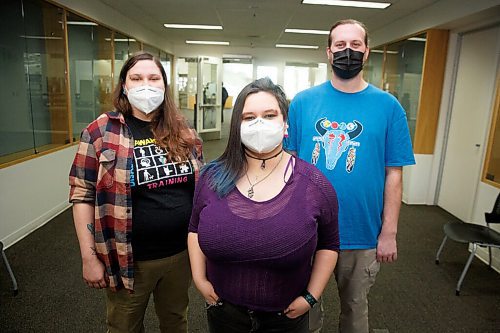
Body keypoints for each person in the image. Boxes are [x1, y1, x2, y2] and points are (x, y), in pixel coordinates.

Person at [285, 19, 416, 333]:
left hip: (360, 232)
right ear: (328, 52)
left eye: (355, 45)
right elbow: (287, 164)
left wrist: (389, 233)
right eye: (340, 45)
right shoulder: (303, 103)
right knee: (303, 311)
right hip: (307, 229)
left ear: (366, 52)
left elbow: (394, 175)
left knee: (356, 313)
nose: (348, 51)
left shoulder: (389, 107)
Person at [188, 77, 340, 333]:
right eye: (248, 118)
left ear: (285, 124)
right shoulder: (211, 178)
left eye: (269, 115)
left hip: (286, 318)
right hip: (223, 313)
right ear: (237, 125)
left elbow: (329, 244)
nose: (259, 124)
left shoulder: (314, 184)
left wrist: (311, 297)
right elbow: (194, 228)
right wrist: (199, 279)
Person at [69, 51, 204, 333]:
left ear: (164, 87)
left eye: (154, 78)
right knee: (124, 327)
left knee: (176, 321)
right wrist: (88, 256)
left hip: (180, 255)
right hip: (128, 259)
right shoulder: (100, 131)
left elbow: (201, 189)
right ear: (124, 85)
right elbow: (82, 194)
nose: (146, 84)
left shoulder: (183, 130)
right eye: (137, 78)